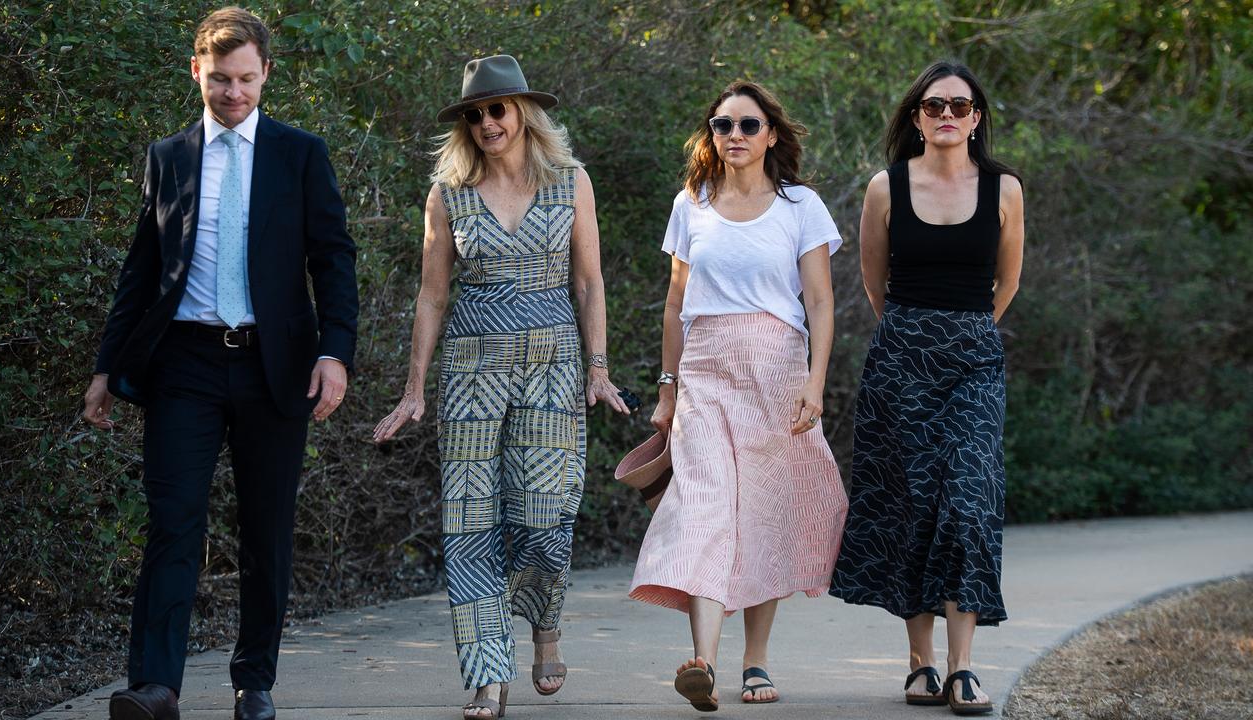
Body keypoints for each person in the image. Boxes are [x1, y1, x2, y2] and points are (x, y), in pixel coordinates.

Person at [80, 7, 358, 720]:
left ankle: (253, 681)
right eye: (219, 79)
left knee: (265, 529)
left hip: (276, 367)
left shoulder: (301, 154)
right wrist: (107, 367)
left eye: (245, 79)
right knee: (173, 521)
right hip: (185, 365)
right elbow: (141, 271)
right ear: (195, 71)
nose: (232, 93)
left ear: (266, 73)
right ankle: (155, 686)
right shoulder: (169, 155)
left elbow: (333, 261)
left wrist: (334, 353)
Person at [371, 54, 629, 719]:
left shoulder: (571, 181)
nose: (487, 121)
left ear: (523, 114)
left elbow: (589, 282)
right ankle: (488, 671)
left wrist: (598, 368)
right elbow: (431, 298)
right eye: (475, 113)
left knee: (546, 515)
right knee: (470, 521)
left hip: (552, 363)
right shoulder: (447, 192)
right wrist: (414, 387)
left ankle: (544, 625)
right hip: (470, 370)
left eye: (498, 109)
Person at [628, 80, 849, 712]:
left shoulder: (800, 205)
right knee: (703, 507)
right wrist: (667, 391)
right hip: (704, 371)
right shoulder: (691, 202)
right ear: (712, 134)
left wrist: (815, 382)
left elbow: (821, 302)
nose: (735, 136)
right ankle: (703, 661)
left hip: (776, 371)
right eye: (723, 125)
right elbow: (675, 304)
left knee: (761, 514)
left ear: (770, 134)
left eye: (748, 125)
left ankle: (755, 662)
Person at [827, 61, 1025, 716]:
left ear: (976, 117)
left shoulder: (1005, 187)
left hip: (973, 361)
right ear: (915, 116)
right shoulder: (886, 188)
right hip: (901, 361)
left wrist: (965, 336)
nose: (947, 115)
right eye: (934, 105)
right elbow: (873, 280)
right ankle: (920, 664)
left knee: (968, 503)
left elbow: (1009, 282)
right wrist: (916, 336)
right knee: (912, 507)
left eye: (960, 107)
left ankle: (964, 667)